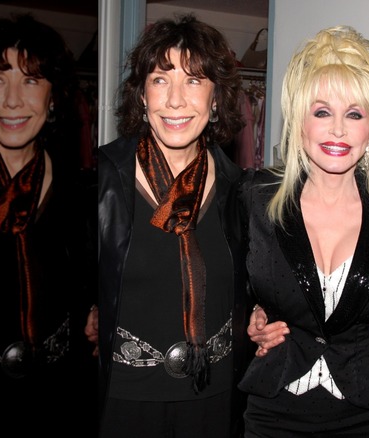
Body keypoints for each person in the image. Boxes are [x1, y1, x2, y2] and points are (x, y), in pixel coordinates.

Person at [236, 25, 369, 437]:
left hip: (366, 416)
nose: (338, 130)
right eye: (321, 112)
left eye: (354, 114)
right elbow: (231, 285)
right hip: (273, 411)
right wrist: (252, 315)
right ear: (300, 122)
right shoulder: (255, 197)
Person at [0, 14, 98, 435]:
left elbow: (91, 291)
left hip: (58, 404)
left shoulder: (83, 191)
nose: (12, 101)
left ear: (53, 97)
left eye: (30, 81)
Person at [93, 14, 252, 437]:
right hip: (124, 401)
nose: (176, 100)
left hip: (214, 399)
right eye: (160, 79)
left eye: (194, 81)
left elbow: (255, 288)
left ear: (216, 99)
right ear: (142, 95)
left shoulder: (242, 191)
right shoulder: (101, 179)